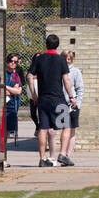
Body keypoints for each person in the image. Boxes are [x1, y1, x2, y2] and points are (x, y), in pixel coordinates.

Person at [27, 35, 73, 168]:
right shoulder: (61, 60)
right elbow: (66, 80)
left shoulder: (39, 59)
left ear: (46, 44)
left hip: (43, 99)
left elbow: (29, 76)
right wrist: (71, 97)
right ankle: (63, 154)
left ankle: (42, 158)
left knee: (43, 128)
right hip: (58, 99)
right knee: (66, 126)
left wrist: (34, 94)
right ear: (57, 45)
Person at [59, 49, 84, 167]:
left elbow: (80, 88)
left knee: (72, 130)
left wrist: (77, 103)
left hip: (73, 105)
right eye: (65, 58)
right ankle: (62, 154)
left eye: (69, 59)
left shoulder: (75, 71)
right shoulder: (58, 71)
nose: (67, 61)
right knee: (63, 129)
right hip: (61, 104)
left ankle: (68, 155)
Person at [4, 54, 23, 144]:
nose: (13, 63)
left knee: (9, 128)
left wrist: (6, 87)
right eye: (11, 61)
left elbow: (18, 91)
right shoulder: (3, 74)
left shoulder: (16, 76)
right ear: (7, 61)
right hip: (2, 103)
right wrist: (12, 90)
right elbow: (1, 90)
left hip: (11, 104)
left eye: (15, 62)